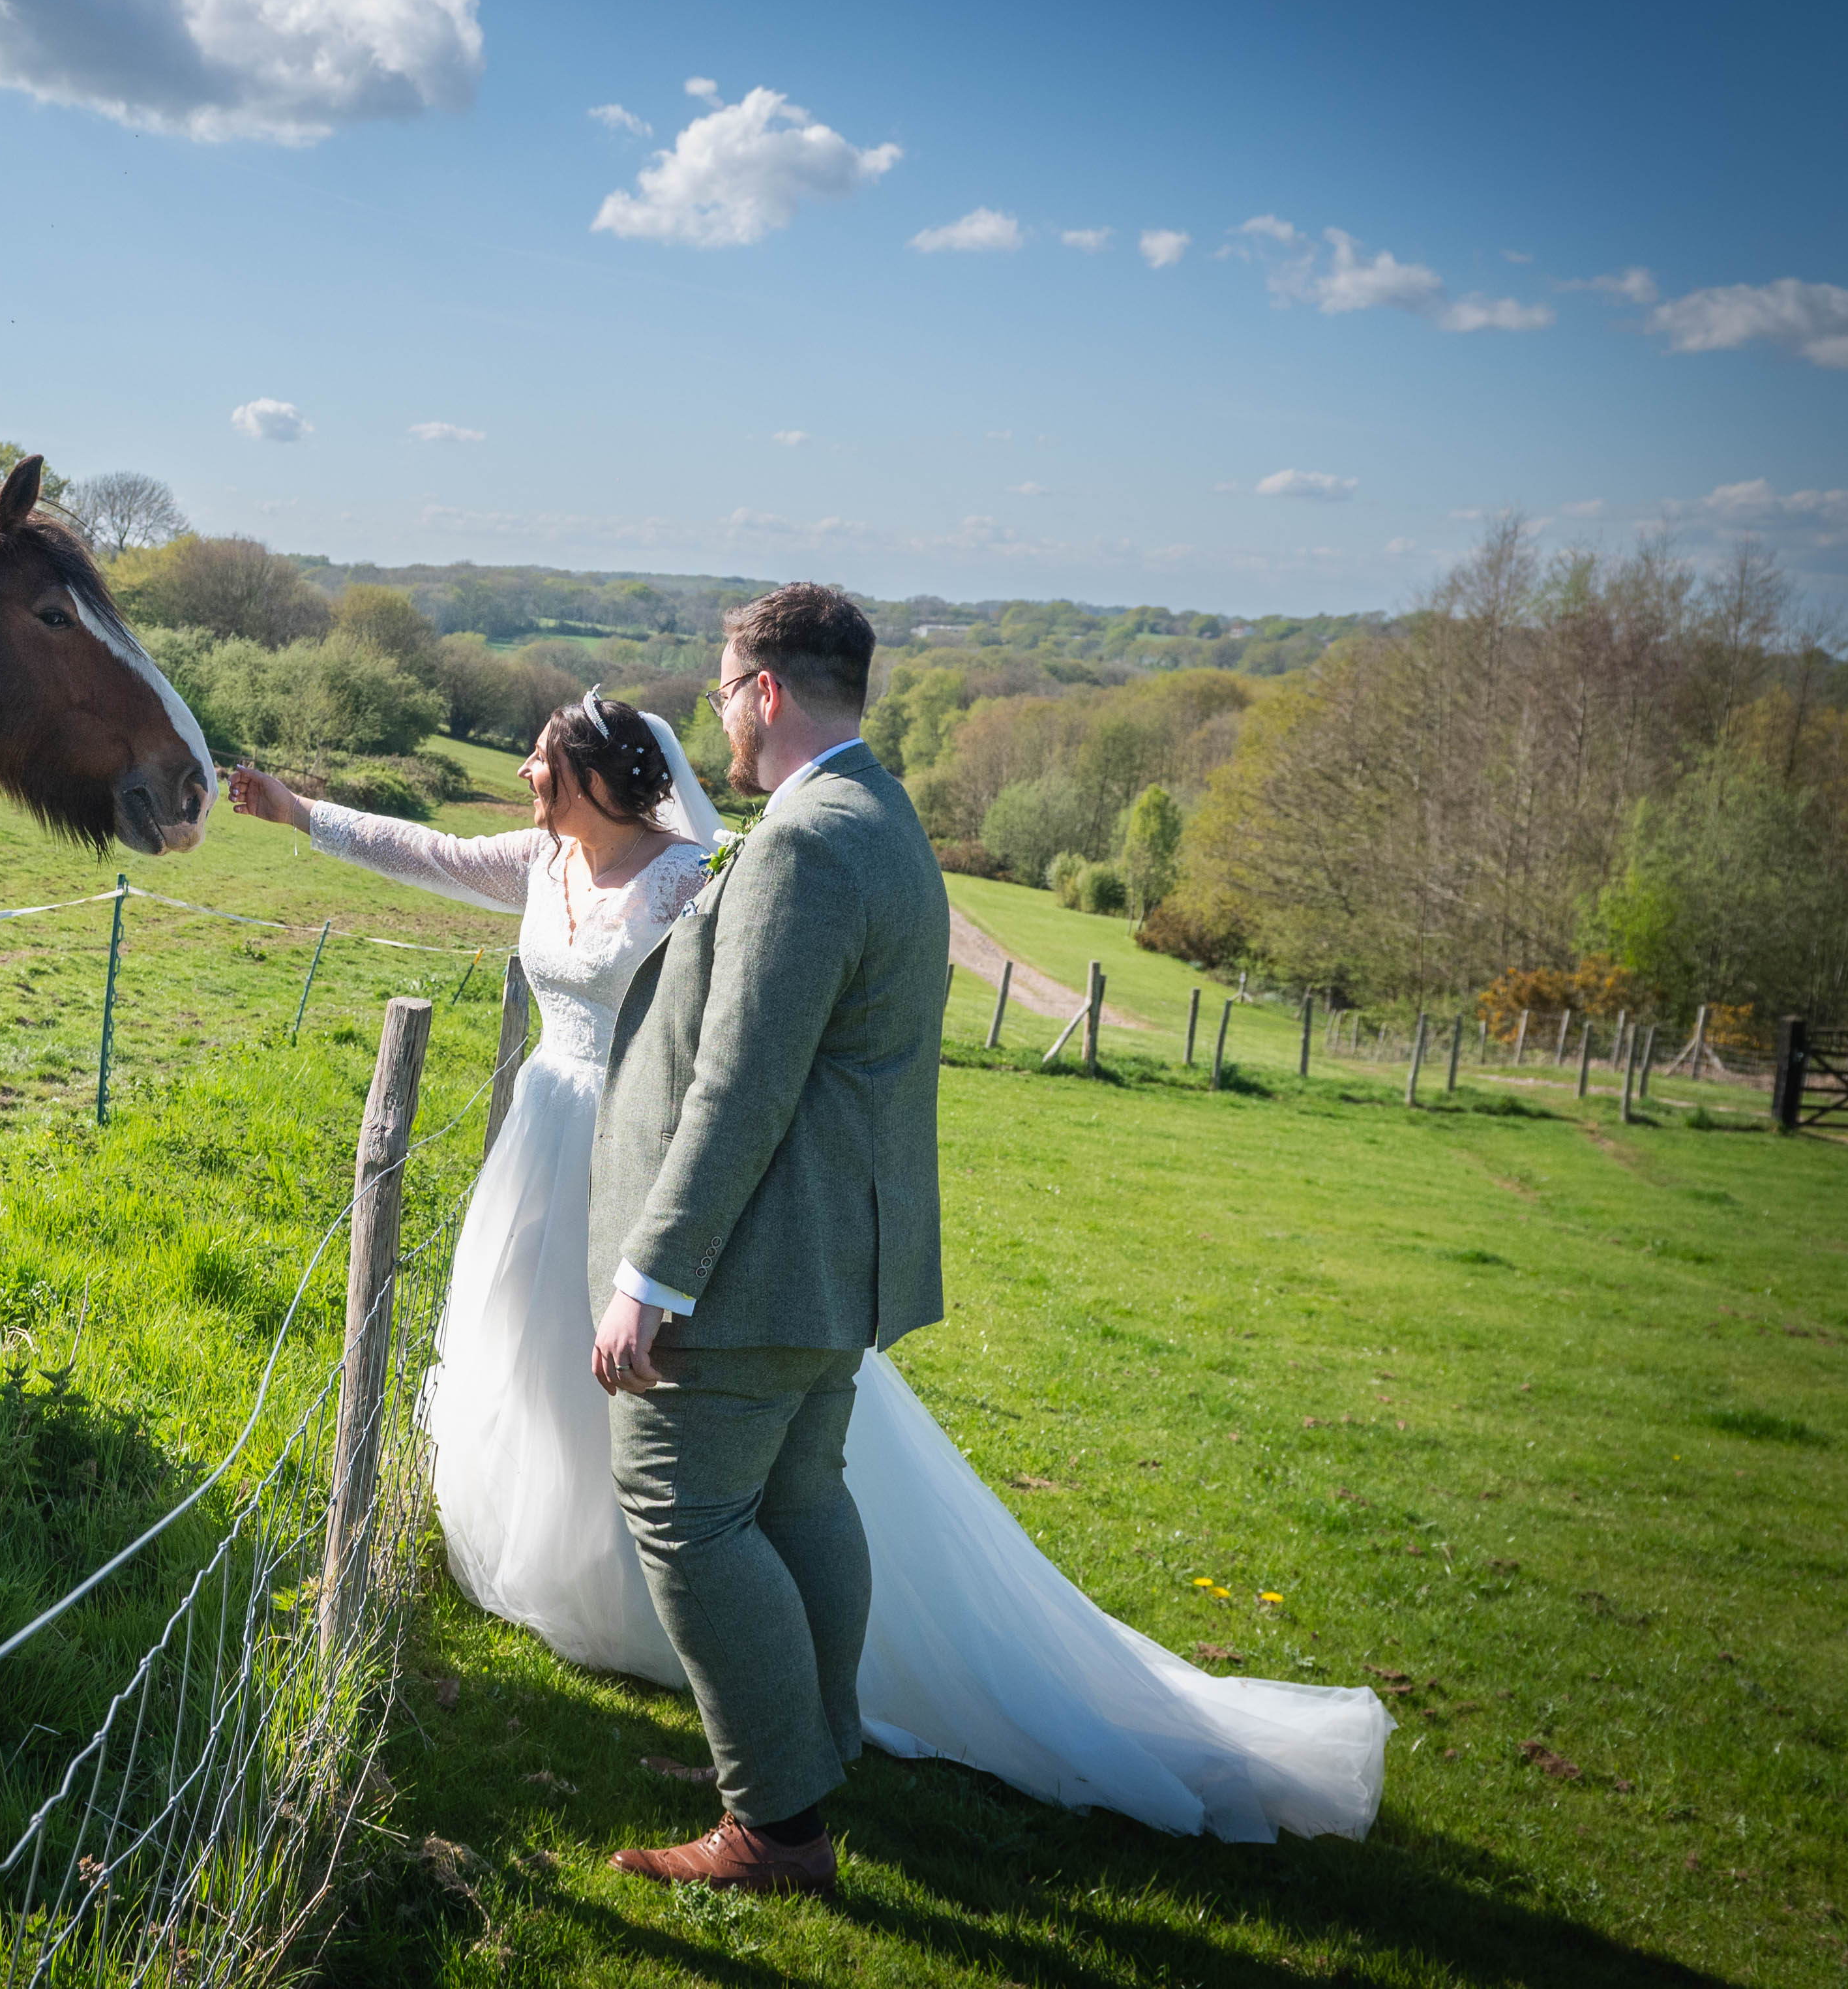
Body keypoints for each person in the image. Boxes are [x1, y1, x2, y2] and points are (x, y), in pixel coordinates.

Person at [237, 591, 1392, 1895]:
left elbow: (740, 1080)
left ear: (767, 691)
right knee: (800, 1501)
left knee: (681, 1511)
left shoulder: (795, 846)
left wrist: (652, 1275)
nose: (716, 717)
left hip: (754, 1258)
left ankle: (775, 1825)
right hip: (841, 1250)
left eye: (727, 690)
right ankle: (812, 1742)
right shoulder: (884, 819)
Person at [230, 690, 718, 1682]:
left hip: (634, 1143)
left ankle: (645, 1588)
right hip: (542, 1129)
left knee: (613, 1359)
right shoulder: (541, 860)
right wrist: (297, 813)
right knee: (531, 1342)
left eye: (538, 760)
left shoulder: (691, 884)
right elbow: (431, 851)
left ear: (587, 774)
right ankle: (554, 1556)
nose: (522, 776)